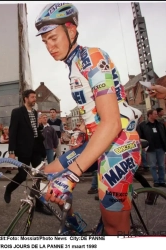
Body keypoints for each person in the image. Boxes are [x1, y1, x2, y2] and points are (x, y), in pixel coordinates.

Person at [35, 3, 142, 235]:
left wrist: (73, 174)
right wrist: (82, 131)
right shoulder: (73, 64)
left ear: (71, 30)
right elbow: (93, 109)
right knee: (50, 173)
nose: (49, 47)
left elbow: (112, 122)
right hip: (98, 140)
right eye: (45, 42)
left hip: (118, 145)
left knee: (115, 229)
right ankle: (72, 224)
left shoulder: (91, 58)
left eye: (53, 38)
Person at [4, 89, 50, 215]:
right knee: (22, 175)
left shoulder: (35, 113)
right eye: (32, 97)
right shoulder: (17, 112)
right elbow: (13, 131)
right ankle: (9, 189)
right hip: (23, 148)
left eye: (35, 97)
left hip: (36, 148)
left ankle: (40, 205)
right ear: (25, 98)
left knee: (38, 176)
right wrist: (12, 151)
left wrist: (39, 127)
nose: (34, 99)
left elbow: (33, 130)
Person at [136, 110, 166, 187]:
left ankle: (162, 181)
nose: (157, 115)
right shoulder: (142, 125)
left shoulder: (160, 124)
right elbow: (139, 136)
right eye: (155, 114)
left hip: (161, 147)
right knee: (152, 166)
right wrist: (142, 146)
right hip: (150, 149)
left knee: (161, 165)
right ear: (150, 115)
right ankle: (156, 181)